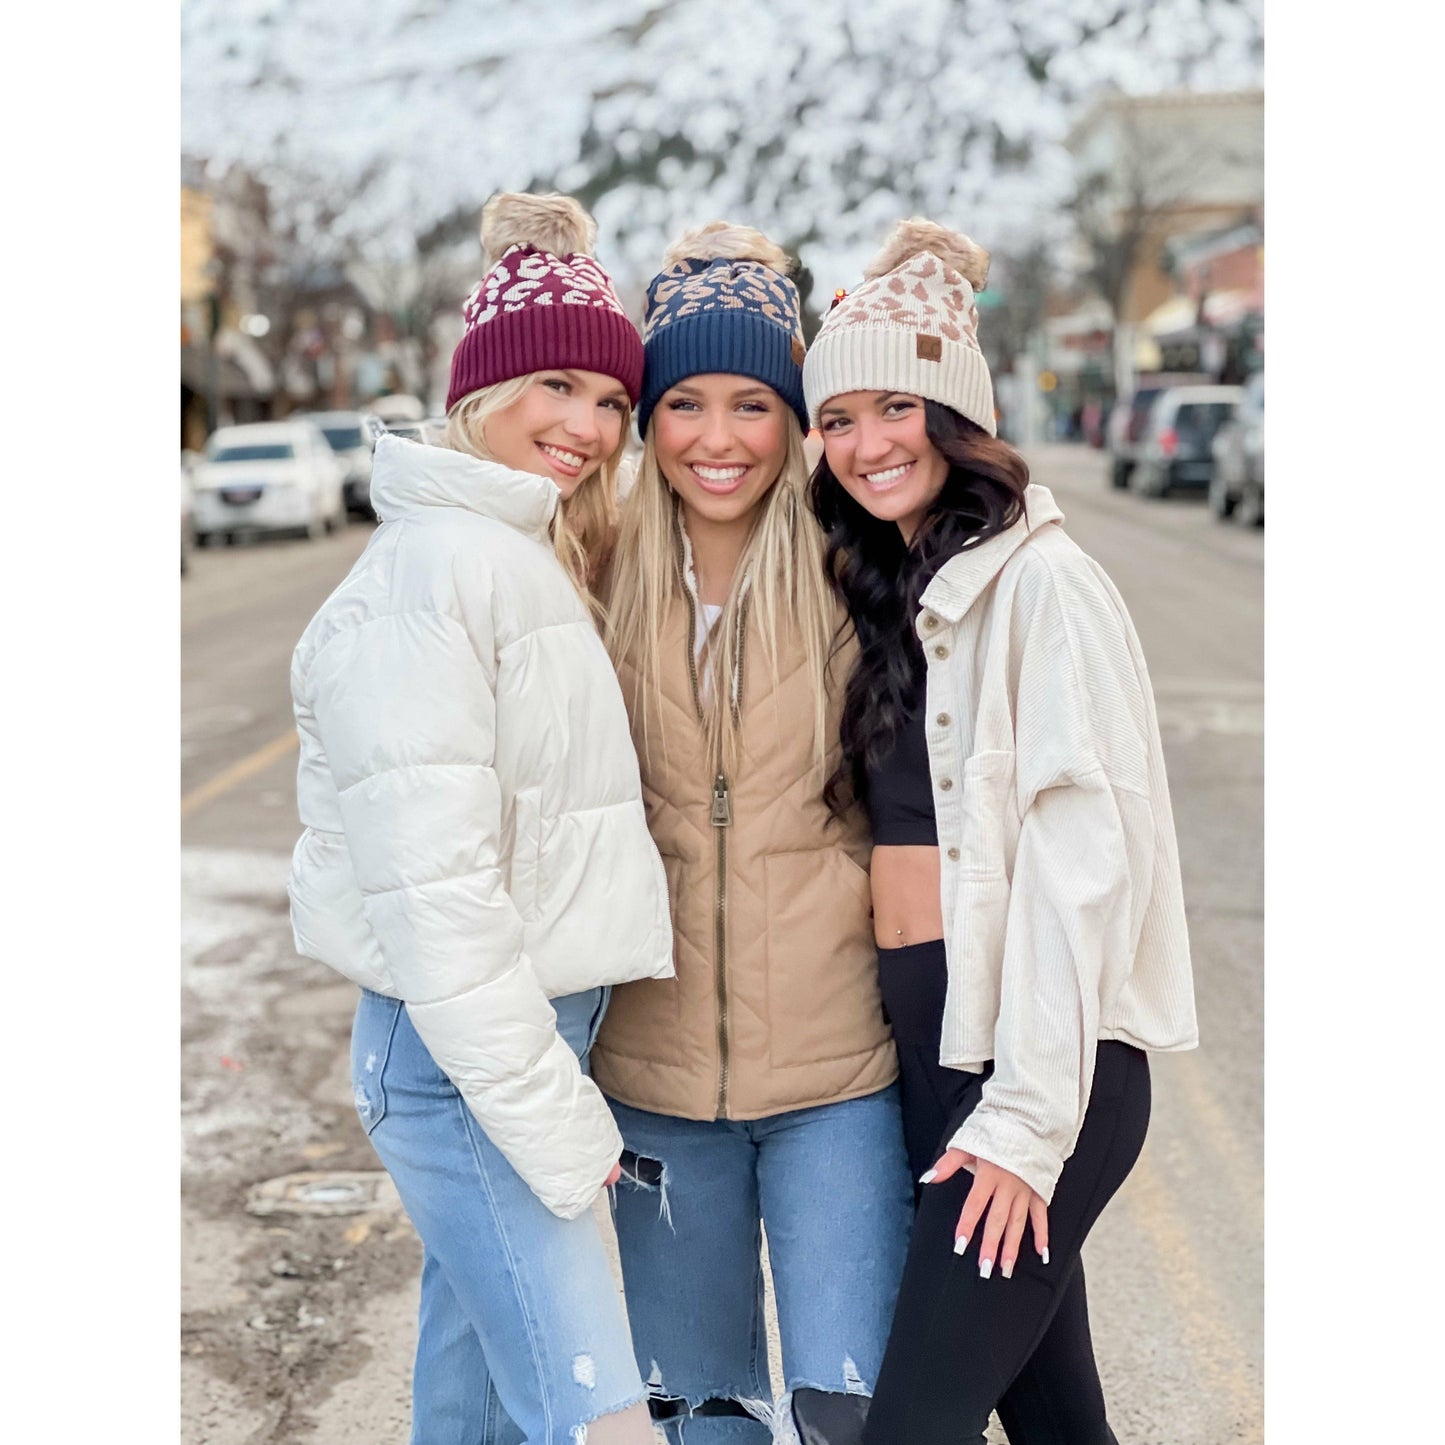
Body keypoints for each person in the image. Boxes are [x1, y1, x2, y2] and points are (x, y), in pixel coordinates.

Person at [803, 219, 1199, 1445]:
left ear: (954, 413)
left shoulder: (1042, 584)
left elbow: (1086, 864)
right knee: (1054, 1420)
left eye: (893, 407)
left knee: (910, 1425)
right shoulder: (907, 583)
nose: (864, 444)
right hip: (938, 1052)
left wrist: (1025, 1121)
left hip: (1039, 1072)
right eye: (835, 419)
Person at [287, 193, 672, 1445]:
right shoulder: (435, 572)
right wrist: (554, 1118)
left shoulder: (508, 552)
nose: (589, 425)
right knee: (594, 1411)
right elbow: (438, 900)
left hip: (498, 1047)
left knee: (477, 1410)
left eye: (612, 399)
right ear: (481, 390)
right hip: (470, 1058)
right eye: (555, 385)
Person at [591, 223, 914, 1445]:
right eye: (682, 401)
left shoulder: (858, 566)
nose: (715, 439)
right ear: (647, 417)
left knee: (850, 1408)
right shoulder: (591, 565)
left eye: (750, 402)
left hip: (838, 1077)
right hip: (649, 1083)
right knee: (700, 1421)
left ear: (793, 415)